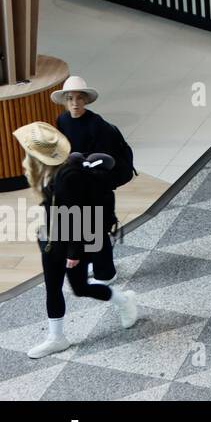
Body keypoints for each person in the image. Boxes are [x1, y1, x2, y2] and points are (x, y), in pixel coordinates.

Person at [15, 122, 138, 359]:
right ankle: (56, 338)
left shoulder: (67, 177)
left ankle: (124, 301)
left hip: (71, 243)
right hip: (52, 238)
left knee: (80, 288)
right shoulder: (48, 172)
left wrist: (73, 253)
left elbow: (78, 217)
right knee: (52, 288)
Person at [52, 76, 135, 285]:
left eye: (79, 98)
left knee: (97, 226)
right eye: (70, 98)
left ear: (86, 100)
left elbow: (107, 163)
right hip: (77, 184)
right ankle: (90, 261)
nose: (74, 103)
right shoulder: (62, 121)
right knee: (80, 225)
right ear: (65, 100)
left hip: (97, 185)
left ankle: (106, 273)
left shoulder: (98, 125)